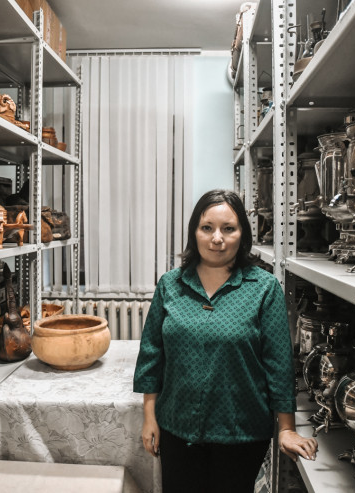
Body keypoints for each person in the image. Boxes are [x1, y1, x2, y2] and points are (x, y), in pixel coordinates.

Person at [133, 189, 318, 492]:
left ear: (242, 234)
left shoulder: (264, 288)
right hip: (177, 427)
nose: (217, 238)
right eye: (207, 228)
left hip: (241, 434)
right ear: (194, 232)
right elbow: (152, 355)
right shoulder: (170, 284)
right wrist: (149, 417)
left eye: (228, 228)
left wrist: (286, 428)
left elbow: (279, 363)